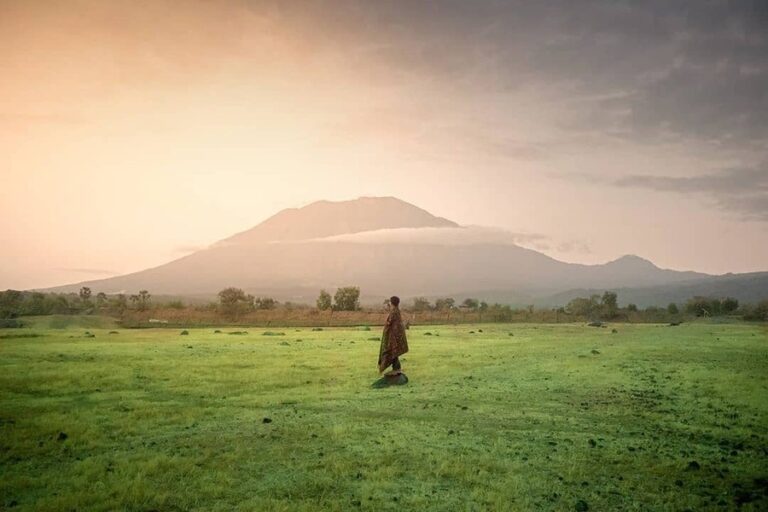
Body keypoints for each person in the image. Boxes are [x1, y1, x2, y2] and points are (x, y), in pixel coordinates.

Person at [378, 295, 409, 375]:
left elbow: (389, 323)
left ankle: (396, 368)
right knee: (394, 352)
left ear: (392, 303)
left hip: (394, 337)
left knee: (392, 351)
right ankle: (396, 367)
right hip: (397, 336)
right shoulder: (397, 311)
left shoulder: (393, 312)